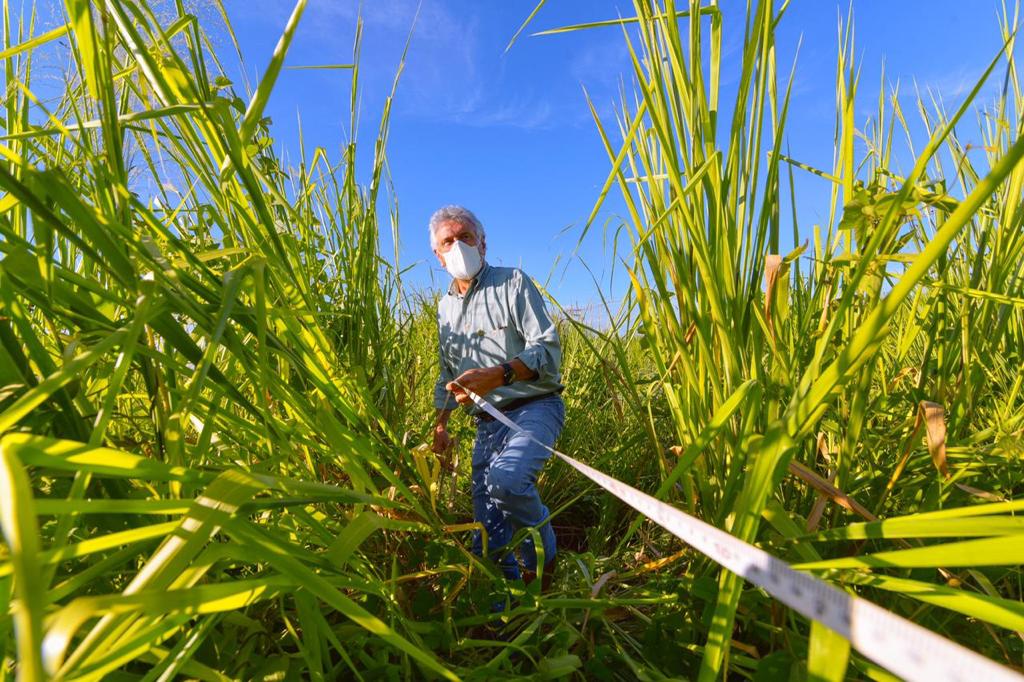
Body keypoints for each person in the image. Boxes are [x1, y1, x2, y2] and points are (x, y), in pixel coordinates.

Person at [428, 205, 563, 590]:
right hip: (487, 420)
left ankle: (544, 559)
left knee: (507, 480)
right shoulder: (444, 309)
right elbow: (447, 375)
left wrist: (499, 374)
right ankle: (500, 602)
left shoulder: (513, 284)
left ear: (483, 244)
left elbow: (549, 352)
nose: (458, 247)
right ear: (438, 256)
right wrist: (441, 425)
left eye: (466, 237)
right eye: (447, 242)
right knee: (485, 527)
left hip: (535, 406)